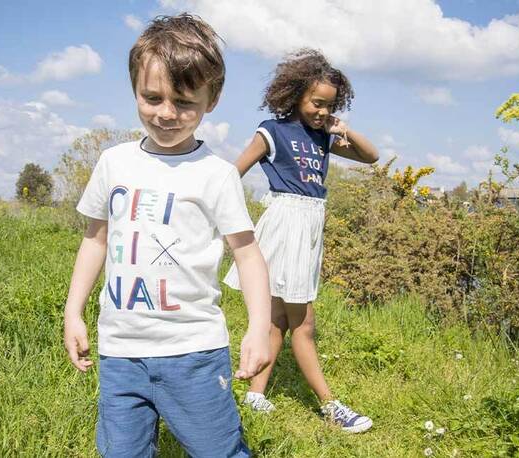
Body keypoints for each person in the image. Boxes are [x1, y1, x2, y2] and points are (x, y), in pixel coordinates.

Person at [62, 14, 271, 457]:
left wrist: (256, 328)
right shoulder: (113, 163)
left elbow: (247, 255)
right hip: (119, 352)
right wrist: (73, 311)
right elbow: (94, 239)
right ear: (134, 90)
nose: (167, 113)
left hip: (193, 353)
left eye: (184, 101)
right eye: (151, 97)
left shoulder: (216, 175)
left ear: (211, 98)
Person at [224, 48, 379, 434]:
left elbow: (371, 157)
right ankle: (331, 406)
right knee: (304, 325)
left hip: (310, 226)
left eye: (329, 106)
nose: (322, 111)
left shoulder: (323, 135)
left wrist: (343, 130)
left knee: (278, 318)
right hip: (285, 223)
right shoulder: (272, 131)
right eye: (316, 103)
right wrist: (231, 223)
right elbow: (232, 174)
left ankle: (256, 394)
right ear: (295, 95)